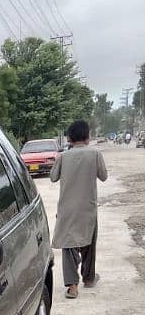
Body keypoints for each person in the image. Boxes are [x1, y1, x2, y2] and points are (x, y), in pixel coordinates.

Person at [50, 120, 108, 299]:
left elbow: (53, 177)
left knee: (69, 246)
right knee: (89, 243)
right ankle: (89, 279)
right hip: (87, 209)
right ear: (88, 136)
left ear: (69, 138)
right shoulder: (95, 154)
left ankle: (72, 286)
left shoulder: (63, 157)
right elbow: (103, 176)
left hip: (67, 208)